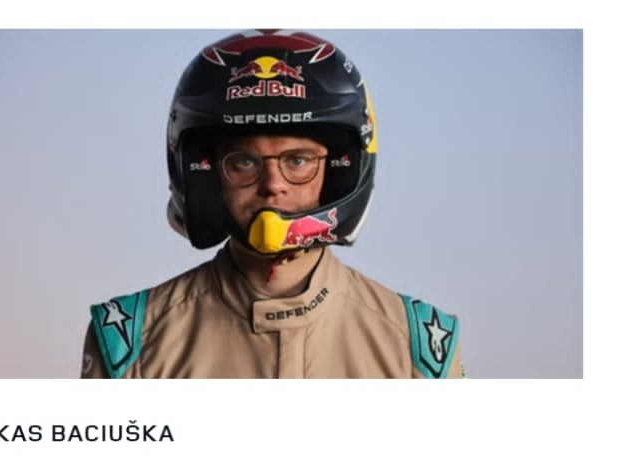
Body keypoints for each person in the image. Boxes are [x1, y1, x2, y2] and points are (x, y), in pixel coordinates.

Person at [79, 29, 464, 379]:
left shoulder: (418, 347)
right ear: (206, 174)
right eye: (244, 162)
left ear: (338, 171)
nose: (273, 185)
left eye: (298, 161)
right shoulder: (131, 343)